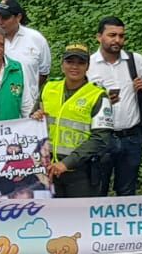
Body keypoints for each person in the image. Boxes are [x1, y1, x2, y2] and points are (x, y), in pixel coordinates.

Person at [87, 17, 142, 197]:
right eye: (112, 35)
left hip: (131, 136)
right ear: (99, 37)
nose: (117, 40)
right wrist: (101, 101)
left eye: (121, 36)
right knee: (98, 189)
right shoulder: (89, 65)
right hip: (102, 136)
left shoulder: (134, 59)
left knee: (128, 191)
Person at [43, 44, 114, 198]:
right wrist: (35, 115)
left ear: (87, 67)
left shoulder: (98, 95)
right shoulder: (48, 88)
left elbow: (101, 138)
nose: (74, 67)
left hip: (81, 172)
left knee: (80, 214)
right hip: (48, 170)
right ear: (62, 64)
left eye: (81, 63)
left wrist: (67, 163)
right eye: (70, 62)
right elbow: (33, 121)